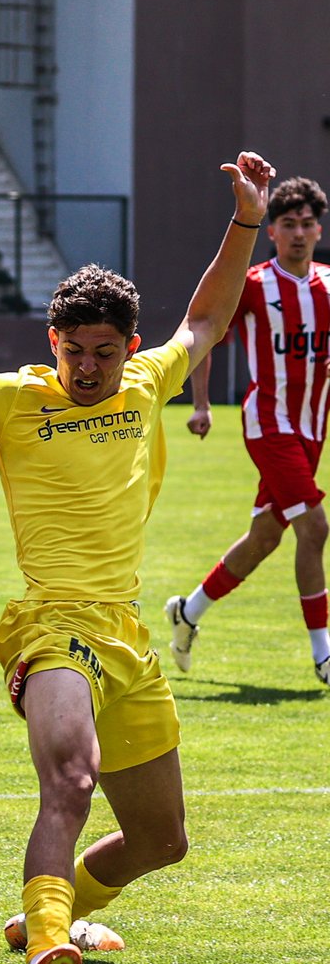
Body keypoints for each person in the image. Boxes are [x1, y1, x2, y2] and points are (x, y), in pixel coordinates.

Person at [0, 152, 274, 964]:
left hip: (126, 633)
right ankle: (52, 950)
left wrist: (247, 220)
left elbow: (207, 317)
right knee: (70, 780)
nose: (87, 368)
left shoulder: (145, 381)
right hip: (52, 623)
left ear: (127, 348)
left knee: (162, 840)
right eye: (72, 351)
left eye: (102, 352)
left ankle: (46, 917)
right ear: (50, 343)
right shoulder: (13, 397)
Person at [165, 175, 330, 686]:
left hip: (311, 428)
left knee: (264, 538)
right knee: (316, 528)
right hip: (269, 424)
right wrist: (201, 404)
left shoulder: (329, 284)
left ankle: (186, 612)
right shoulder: (256, 285)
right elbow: (208, 332)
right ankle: (324, 655)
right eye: (288, 224)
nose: (298, 233)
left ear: (318, 230)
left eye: (306, 224)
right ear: (273, 232)